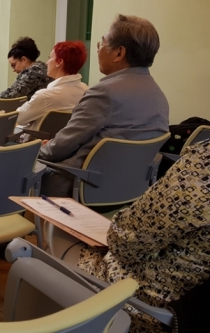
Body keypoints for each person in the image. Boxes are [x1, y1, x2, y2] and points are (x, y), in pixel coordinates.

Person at [77, 140, 210, 332]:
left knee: (44, 244)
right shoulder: (160, 109)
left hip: (144, 306)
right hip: (188, 307)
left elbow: (125, 244)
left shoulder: (204, 164)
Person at [38, 15, 169, 197]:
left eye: (101, 44)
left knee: (14, 168)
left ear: (118, 53)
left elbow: (59, 149)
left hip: (76, 186)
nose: (98, 50)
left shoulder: (105, 92)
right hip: (127, 190)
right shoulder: (158, 96)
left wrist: (37, 149)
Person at [16, 41, 88, 129]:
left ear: (59, 62)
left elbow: (18, 118)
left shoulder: (45, 96)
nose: (46, 63)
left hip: (39, 141)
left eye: (49, 58)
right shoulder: (86, 91)